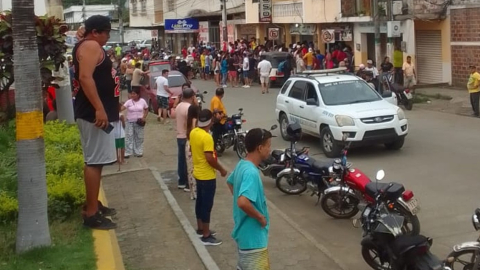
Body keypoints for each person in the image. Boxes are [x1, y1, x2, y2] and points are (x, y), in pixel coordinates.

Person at [73, 15, 119, 230]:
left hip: (96, 112)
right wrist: (100, 109)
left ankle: (93, 204)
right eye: (106, 31)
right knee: (94, 162)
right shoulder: (91, 45)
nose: (108, 35)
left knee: (96, 161)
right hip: (93, 114)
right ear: (96, 32)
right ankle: (91, 214)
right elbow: (85, 77)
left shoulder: (88, 43)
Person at [227, 128, 272, 270]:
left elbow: (230, 182)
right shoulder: (251, 173)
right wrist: (260, 217)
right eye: (268, 146)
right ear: (260, 148)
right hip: (254, 240)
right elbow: (242, 202)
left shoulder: (242, 164)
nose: (270, 149)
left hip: (244, 236)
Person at [190, 109, 228, 245]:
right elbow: (209, 158)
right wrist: (221, 169)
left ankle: (201, 228)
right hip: (207, 176)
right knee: (207, 205)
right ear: (210, 121)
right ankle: (206, 236)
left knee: (200, 202)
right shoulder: (207, 137)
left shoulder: (194, 132)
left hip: (198, 173)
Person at [175, 88, 196, 190]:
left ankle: (181, 181)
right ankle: (188, 182)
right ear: (192, 97)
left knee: (181, 159)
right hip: (187, 136)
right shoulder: (189, 108)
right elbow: (192, 124)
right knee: (189, 160)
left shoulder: (179, 106)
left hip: (179, 135)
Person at [121, 86, 148, 158]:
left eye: (134, 94)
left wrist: (144, 117)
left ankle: (138, 151)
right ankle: (127, 152)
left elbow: (146, 109)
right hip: (129, 122)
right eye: (131, 94)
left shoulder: (142, 101)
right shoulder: (129, 102)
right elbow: (122, 108)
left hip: (139, 122)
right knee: (129, 137)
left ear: (138, 94)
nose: (132, 95)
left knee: (139, 137)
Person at [186, 104, 200, 200]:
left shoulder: (188, 120)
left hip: (188, 144)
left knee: (190, 169)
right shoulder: (195, 121)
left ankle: (192, 192)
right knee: (194, 168)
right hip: (193, 145)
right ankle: (196, 191)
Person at [210, 87, 227, 154]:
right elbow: (215, 109)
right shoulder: (216, 100)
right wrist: (218, 115)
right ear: (222, 94)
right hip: (218, 121)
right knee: (215, 136)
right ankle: (213, 150)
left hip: (222, 120)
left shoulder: (217, 98)